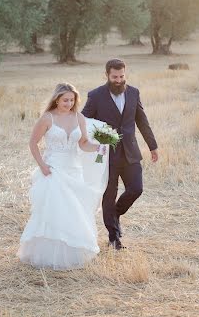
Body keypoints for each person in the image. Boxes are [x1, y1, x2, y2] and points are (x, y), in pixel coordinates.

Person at [17, 83, 109, 270]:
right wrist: (42, 165)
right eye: (65, 100)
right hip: (54, 168)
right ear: (56, 99)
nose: (69, 103)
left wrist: (99, 146)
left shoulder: (79, 117)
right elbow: (33, 143)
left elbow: (83, 143)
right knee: (55, 209)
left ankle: (74, 252)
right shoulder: (47, 118)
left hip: (74, 169)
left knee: (76, 210)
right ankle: (49, 254)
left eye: (72, 100)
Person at [82, 58, 159, 250]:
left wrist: (152, 146)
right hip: (106, 155)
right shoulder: (96, 95)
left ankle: (114, 214)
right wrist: (98, 137)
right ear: (107, 75)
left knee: (136, 189)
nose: (118, 80)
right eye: (114, 77)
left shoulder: (133, 93)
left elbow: (142, 121)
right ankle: (114, 237)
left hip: (131, 152)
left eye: (122, 76)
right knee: (109, 195)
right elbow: (83, 122)